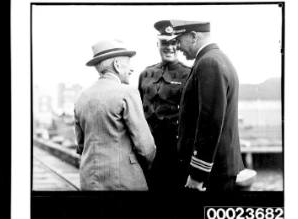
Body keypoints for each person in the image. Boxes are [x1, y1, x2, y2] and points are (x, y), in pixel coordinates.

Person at [154, 20, 244, 192]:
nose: (177, 47)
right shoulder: (216, 59)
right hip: (218, 169)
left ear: (194, 36)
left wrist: (198, 174)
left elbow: (210, 122)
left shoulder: (208, 63)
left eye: (178, 40)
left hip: (212, 174)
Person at [74, 39, 156, 190]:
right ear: (117, 65)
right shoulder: (127, 92)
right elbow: (146, 147)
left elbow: (80, 146)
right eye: (128, 63)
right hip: (124, 182)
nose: (131, 69)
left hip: (89, 181)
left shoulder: (81, 96)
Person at [138, 24, 191, 191]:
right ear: (158, 45)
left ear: (179, 45)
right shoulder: (146, 74)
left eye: (174, 43)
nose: (170, 48)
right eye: (165, 44)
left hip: (176, 150)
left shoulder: (189, 74)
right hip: (149, 148)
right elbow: (138, 112)